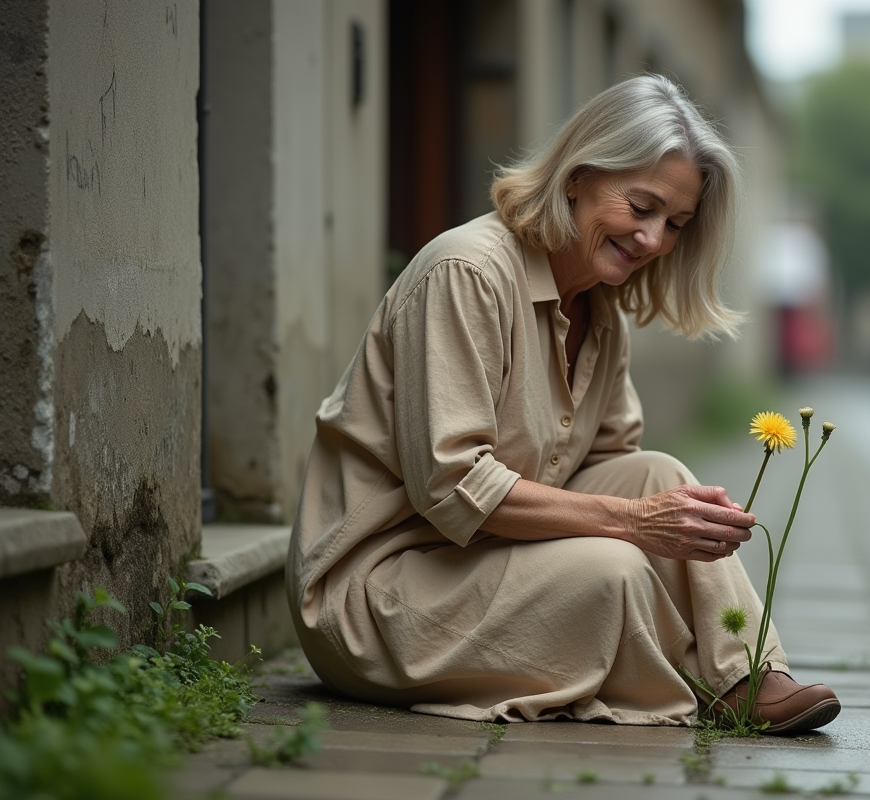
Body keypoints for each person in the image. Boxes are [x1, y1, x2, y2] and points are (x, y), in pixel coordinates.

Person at [285, 75, 840, 734]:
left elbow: (611, 466)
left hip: (486, 564)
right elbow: (451, 484)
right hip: (381, 599)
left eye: (676, 224)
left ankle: (745, 675)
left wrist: (653, 512)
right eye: (642, 206)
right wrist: (634, 521)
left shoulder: (601, 313)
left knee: (664, 476)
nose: (656, 240)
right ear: (577, 177)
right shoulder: (466, 273)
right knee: (615, 565)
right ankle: (700, 685)